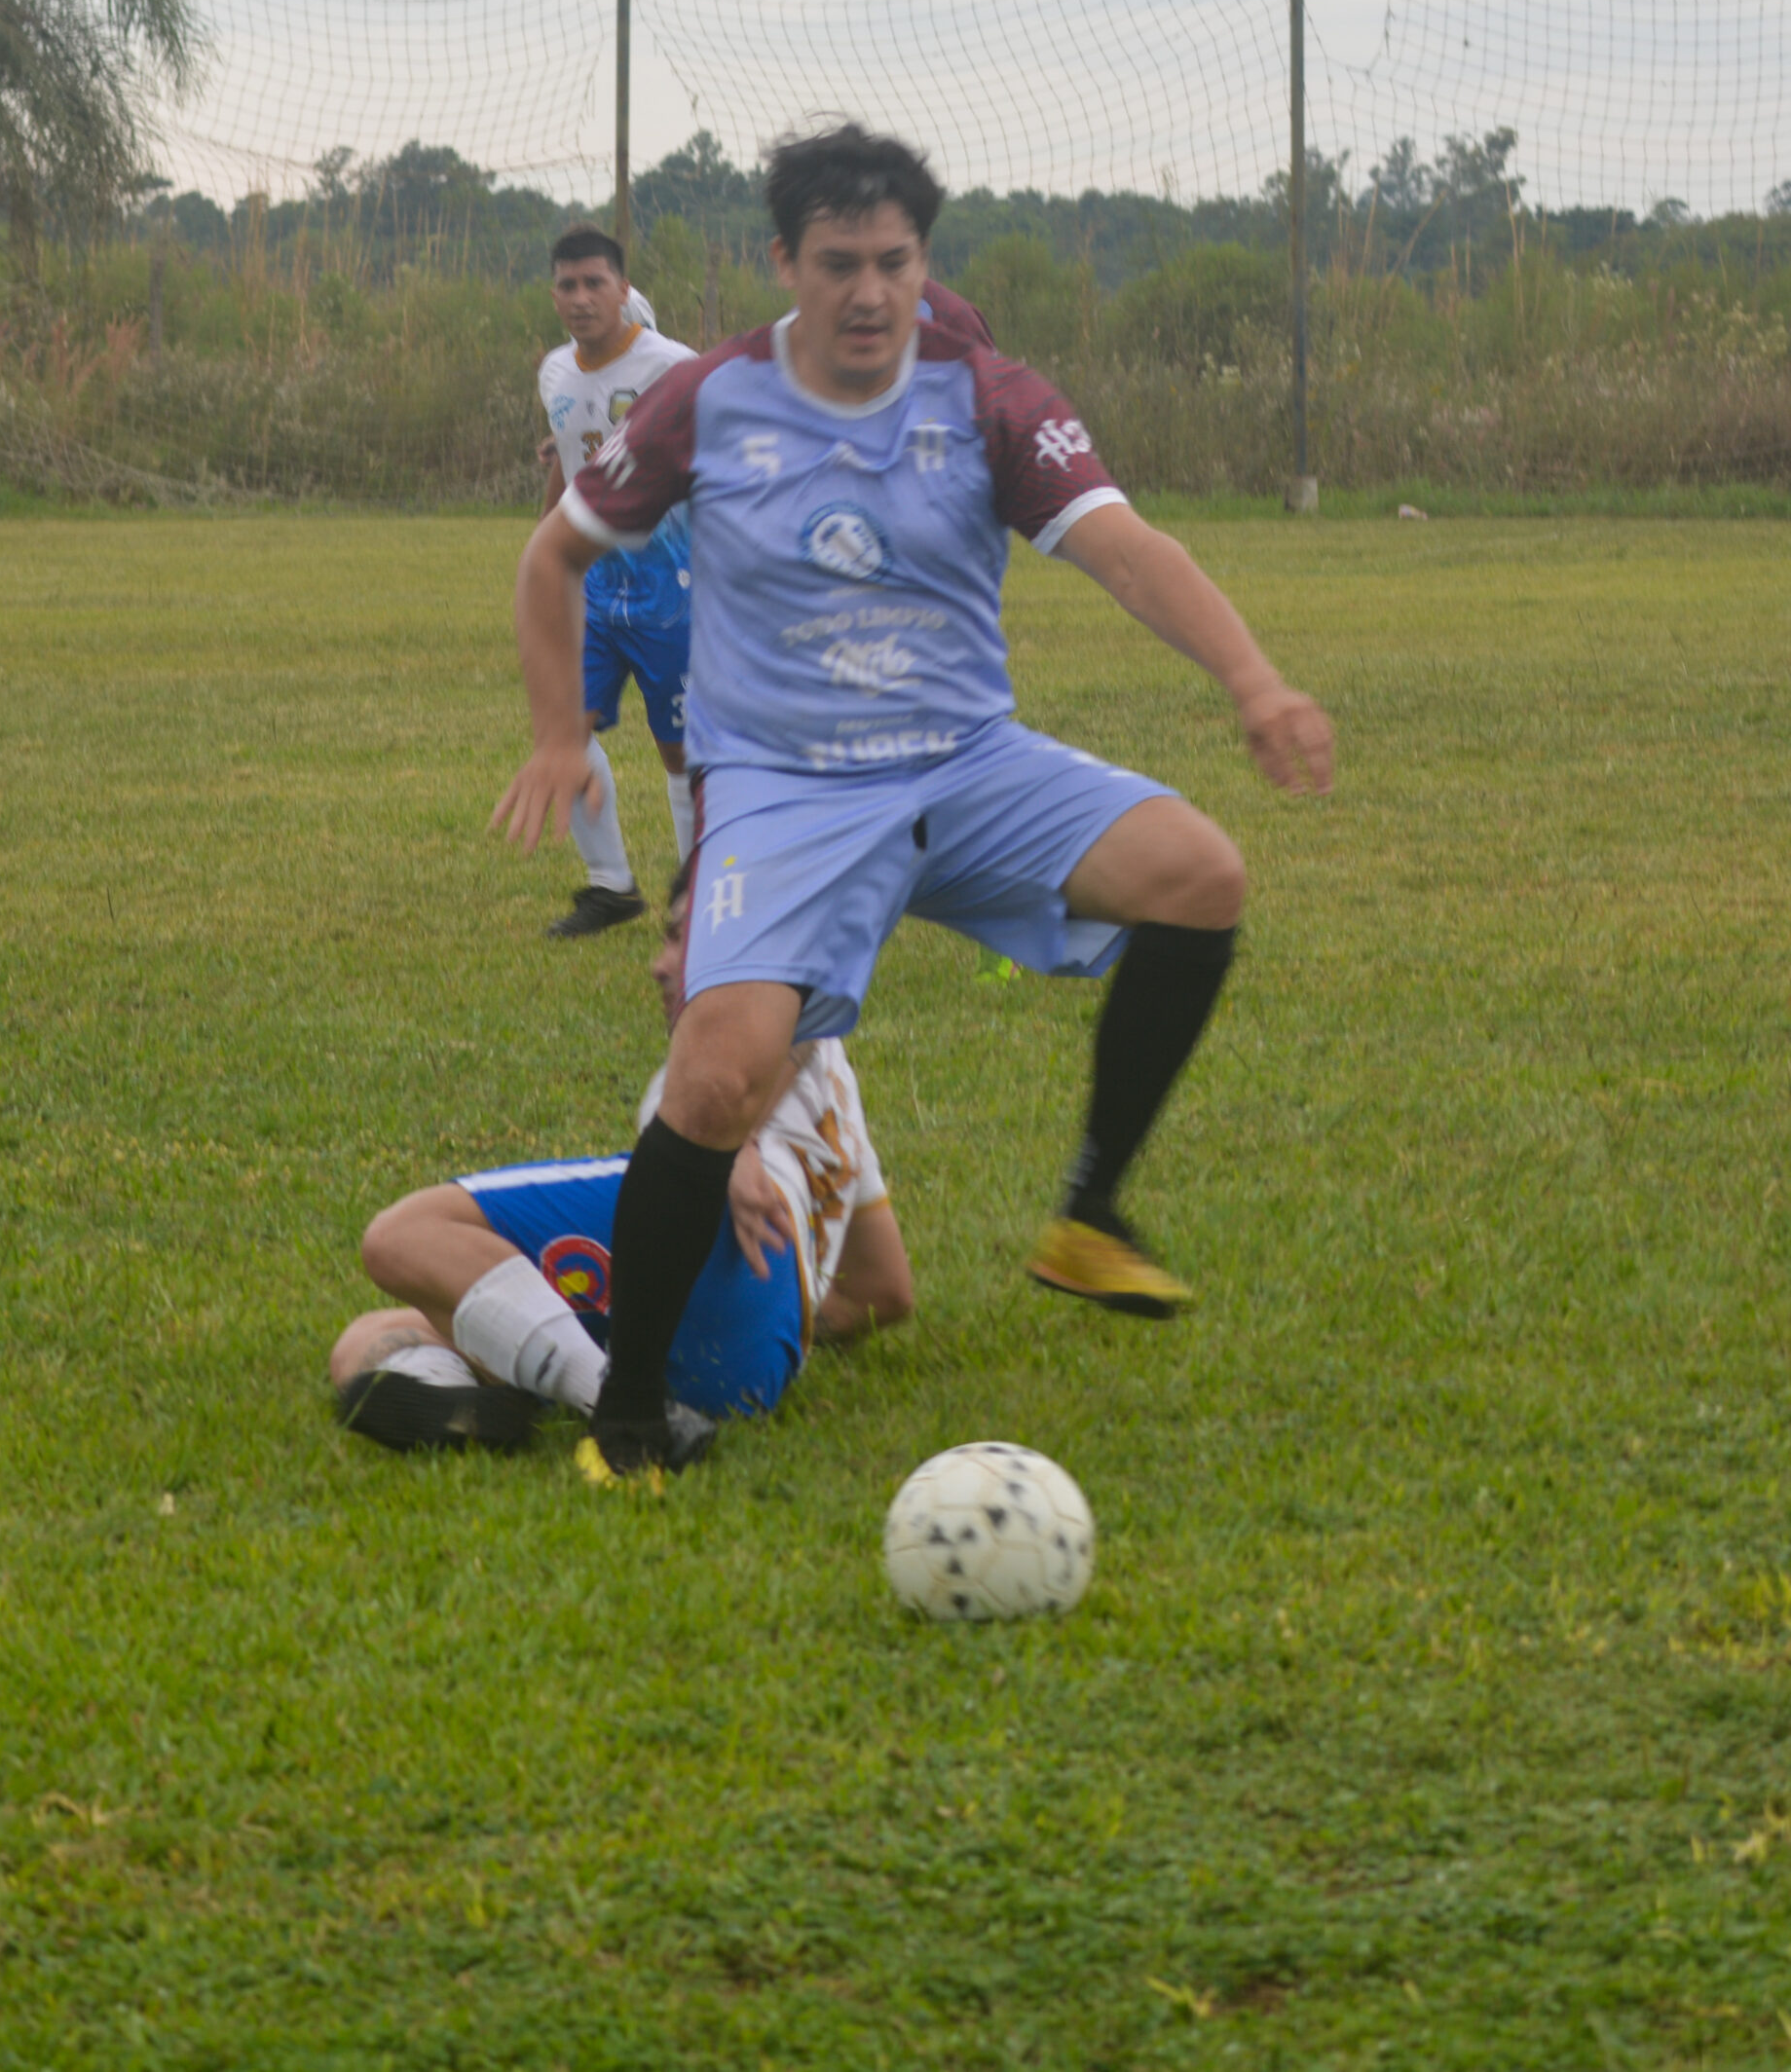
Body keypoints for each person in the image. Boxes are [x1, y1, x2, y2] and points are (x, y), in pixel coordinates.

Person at [496, 122, 1333, 1477]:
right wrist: (556, 736)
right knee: (716, 1076)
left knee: (1199, 874)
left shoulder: (988, 396)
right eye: (840, 263)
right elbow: (555, 556)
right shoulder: (708, 399)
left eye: (895, 261)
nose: (871, 291)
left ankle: (1090, 1216)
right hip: (784, 789)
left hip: (964, 762)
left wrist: (1253, 680)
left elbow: (1126, 549)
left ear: (922, 261)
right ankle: (630, 1416)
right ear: (786, 263)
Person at [330, 866, 914, 1466]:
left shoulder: (761, 1040)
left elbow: (788, 1015)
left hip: (718, 1251)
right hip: (760, 1369)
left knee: (404, 1237)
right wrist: (760, 1333)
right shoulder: (838, 1101)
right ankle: (472, 1393)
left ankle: (616, 1398)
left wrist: (731, 1149)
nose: (660, 965)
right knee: (367, 1343)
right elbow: (886, 1292)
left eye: (683, 937)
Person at [530, 226, 701, 939]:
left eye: (594, 282)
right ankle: (611, 886)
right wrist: (544, 548)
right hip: (594, 586)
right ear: (553, 295)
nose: (581, 297)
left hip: (675, 587)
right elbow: (572, 466)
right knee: (563, 728)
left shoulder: (677, 369)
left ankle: (698, 902)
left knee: (683, 752)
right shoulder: (554, 372)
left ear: (624, 289)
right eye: (567, 285)